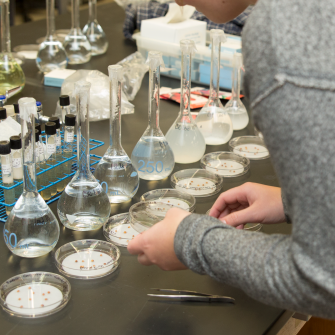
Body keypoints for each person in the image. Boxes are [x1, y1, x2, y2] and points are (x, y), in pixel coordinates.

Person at [128, 0, 335, 319]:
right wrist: (292, 201)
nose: (176, 2)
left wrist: (190, 240)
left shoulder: (281, 31)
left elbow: (323, 278)